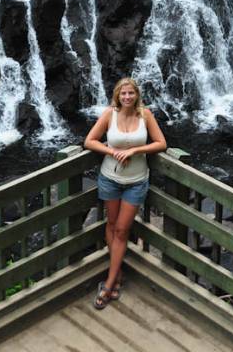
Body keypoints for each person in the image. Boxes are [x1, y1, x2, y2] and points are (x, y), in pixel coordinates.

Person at [84, 76, 167, 309]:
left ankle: (109, 284)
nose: (127, 97)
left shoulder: (146, 115)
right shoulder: (109, 114)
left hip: (136, 181)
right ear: (117, 96)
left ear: (136, 95)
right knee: (111, 226)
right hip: (110, 178)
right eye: (123, 94)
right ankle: (117, 273)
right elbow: (89, 141)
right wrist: (110, 151)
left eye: (131, 93)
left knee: (122, 229)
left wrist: (136, 150)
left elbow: (161, 143)